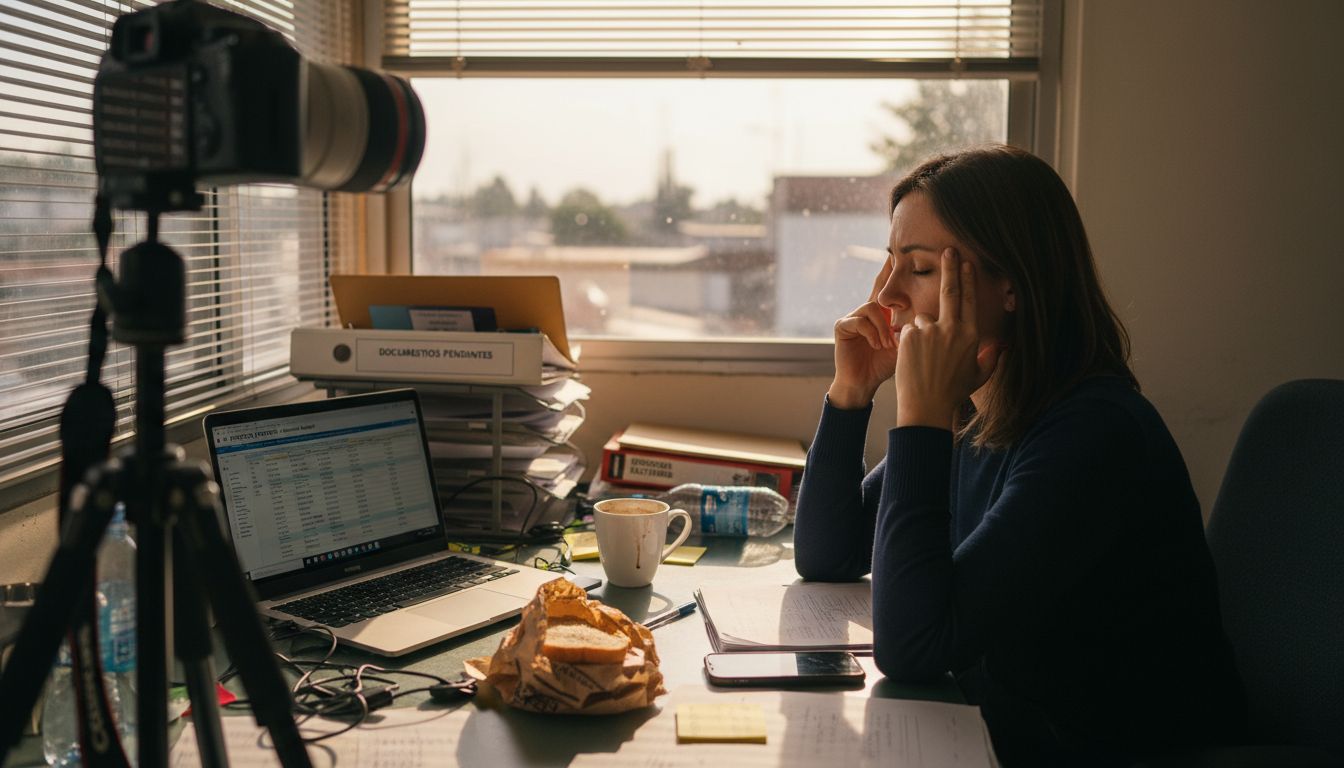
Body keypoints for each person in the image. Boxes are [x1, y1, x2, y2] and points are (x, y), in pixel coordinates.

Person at [793, 145, 1245, 766]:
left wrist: (920, 415)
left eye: (919, 268)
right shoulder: (974, 411)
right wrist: (851, 392)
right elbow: (829, 554)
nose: (889, 295)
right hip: (1004, 728)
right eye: (890, 263)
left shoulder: (1095, 434)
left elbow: (914, 648)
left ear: (1011, 286)